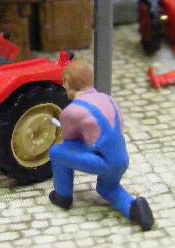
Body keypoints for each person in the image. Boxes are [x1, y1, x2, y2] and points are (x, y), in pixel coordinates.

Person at [49, 61, 154, 231]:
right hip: (121, 159)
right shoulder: (108, 99)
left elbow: (69, 143)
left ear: (68, 84)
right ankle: (134, 208)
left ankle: (63, 196)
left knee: (57, 152)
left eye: (64, 83)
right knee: (107, 188)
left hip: (102, 161)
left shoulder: (72, 111)